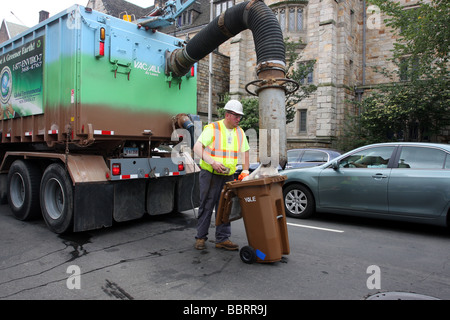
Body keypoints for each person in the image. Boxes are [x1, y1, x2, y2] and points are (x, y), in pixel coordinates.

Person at [193, 100, 250, 251]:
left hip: (228, 176)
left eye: (240, 116)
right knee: (207, 204)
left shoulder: (240, 132)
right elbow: (197, 148)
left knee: (225, 207)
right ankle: (200, 237)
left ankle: (222, 239)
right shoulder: (214, 128)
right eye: (236, 116)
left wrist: (245, 170)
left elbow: (245, 152)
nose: (239, 119)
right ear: (227, 115)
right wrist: (212, 162)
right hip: (210, 174)